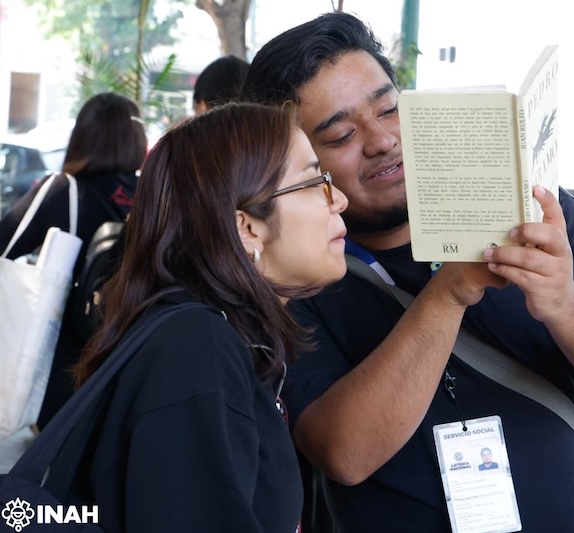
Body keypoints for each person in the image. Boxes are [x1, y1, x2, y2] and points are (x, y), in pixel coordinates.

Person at [241, 12, 574, 532]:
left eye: (389, 109)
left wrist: (565, 302)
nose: (382, 140)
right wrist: (447, 296)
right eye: (343, 134)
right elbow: (342, 454)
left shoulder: (529, 206)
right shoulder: (296, 274)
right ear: (296, 161)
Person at [42, 102, 348, 532]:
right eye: (315, 182)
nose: (339, 200)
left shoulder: (214, 337)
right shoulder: (197, 350)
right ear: (246, 228)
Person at [0, 92, 146, 429]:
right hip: (130, 363)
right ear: (136, 139)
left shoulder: (63, 190)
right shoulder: (153, 196)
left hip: (64, 367)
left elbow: (4, 246)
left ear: (82, 136)